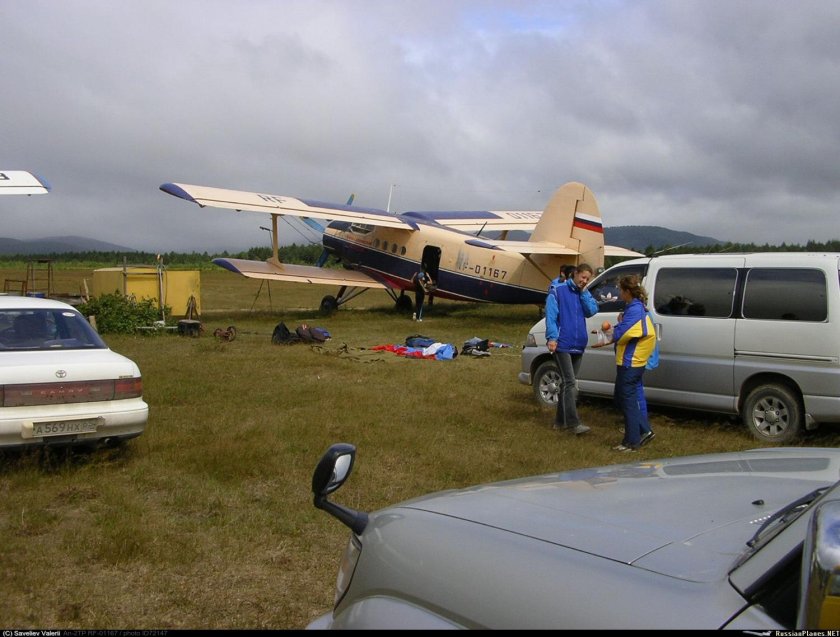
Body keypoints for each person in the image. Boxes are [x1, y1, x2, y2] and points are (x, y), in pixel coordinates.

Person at [544, 263, 598, 435]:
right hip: (562, 343)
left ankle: (560, 422)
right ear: (575, 274)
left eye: (587, 279)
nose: (584, 281)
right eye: (583, 277)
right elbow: (551, 316)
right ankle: (573, 423)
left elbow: (592, 310)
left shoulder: (583, 293)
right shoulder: (558, 291)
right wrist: (552, 338)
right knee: (569, 382)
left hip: (578, 343)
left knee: (567, 384)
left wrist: (584, 293)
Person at [606, 275, 657, 452]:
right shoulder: (636, 307)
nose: (620, 294)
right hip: (632, 361)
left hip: (631, 362)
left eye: (621, 290)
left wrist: (611, 330)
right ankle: (644, 431)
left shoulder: (634, 309)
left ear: (628, 291)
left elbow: (621, 333)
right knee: (626, 398)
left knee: (627, 401)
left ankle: (632, 441)